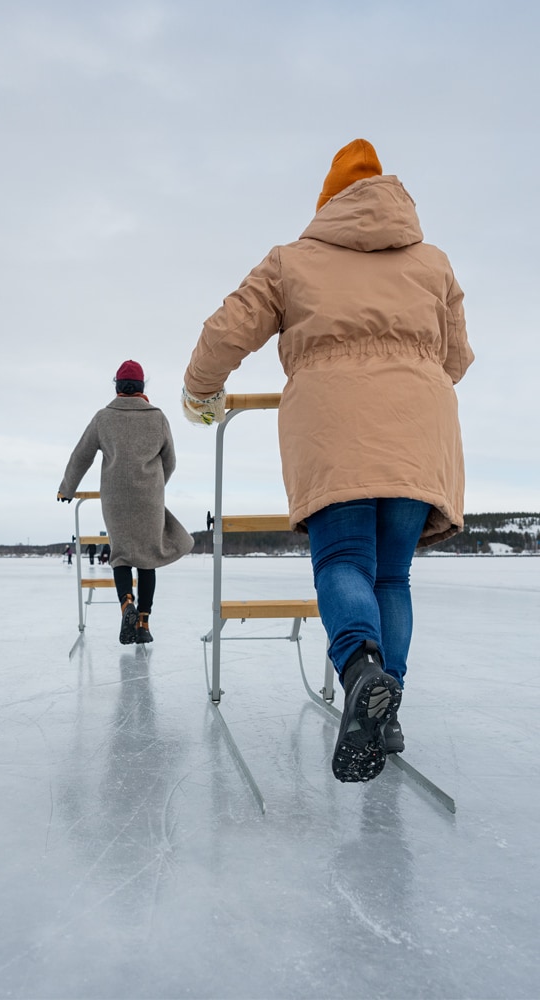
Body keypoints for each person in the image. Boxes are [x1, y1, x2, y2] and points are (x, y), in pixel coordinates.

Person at [182, 139, 473, 782]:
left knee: (343, 562)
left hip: (333, 428)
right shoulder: (435, 264)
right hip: (420, 431)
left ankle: (361, 670)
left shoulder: (293, 260)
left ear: (329, 201)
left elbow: (226, 331)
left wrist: (200, 391)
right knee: (391, 577)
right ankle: (386, 710)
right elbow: (457, 358)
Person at [58, 361, 193, 644]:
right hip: (149, 497)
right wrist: (155, 486)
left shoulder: (103, 418)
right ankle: (143, 624)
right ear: (142, 387)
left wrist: (67, 489)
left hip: (115, 497)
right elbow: (170, 460)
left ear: (117, 386)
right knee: (148, 558)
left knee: (120, 555)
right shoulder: (157, 418)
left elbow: (82, 454)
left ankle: (125, 604)